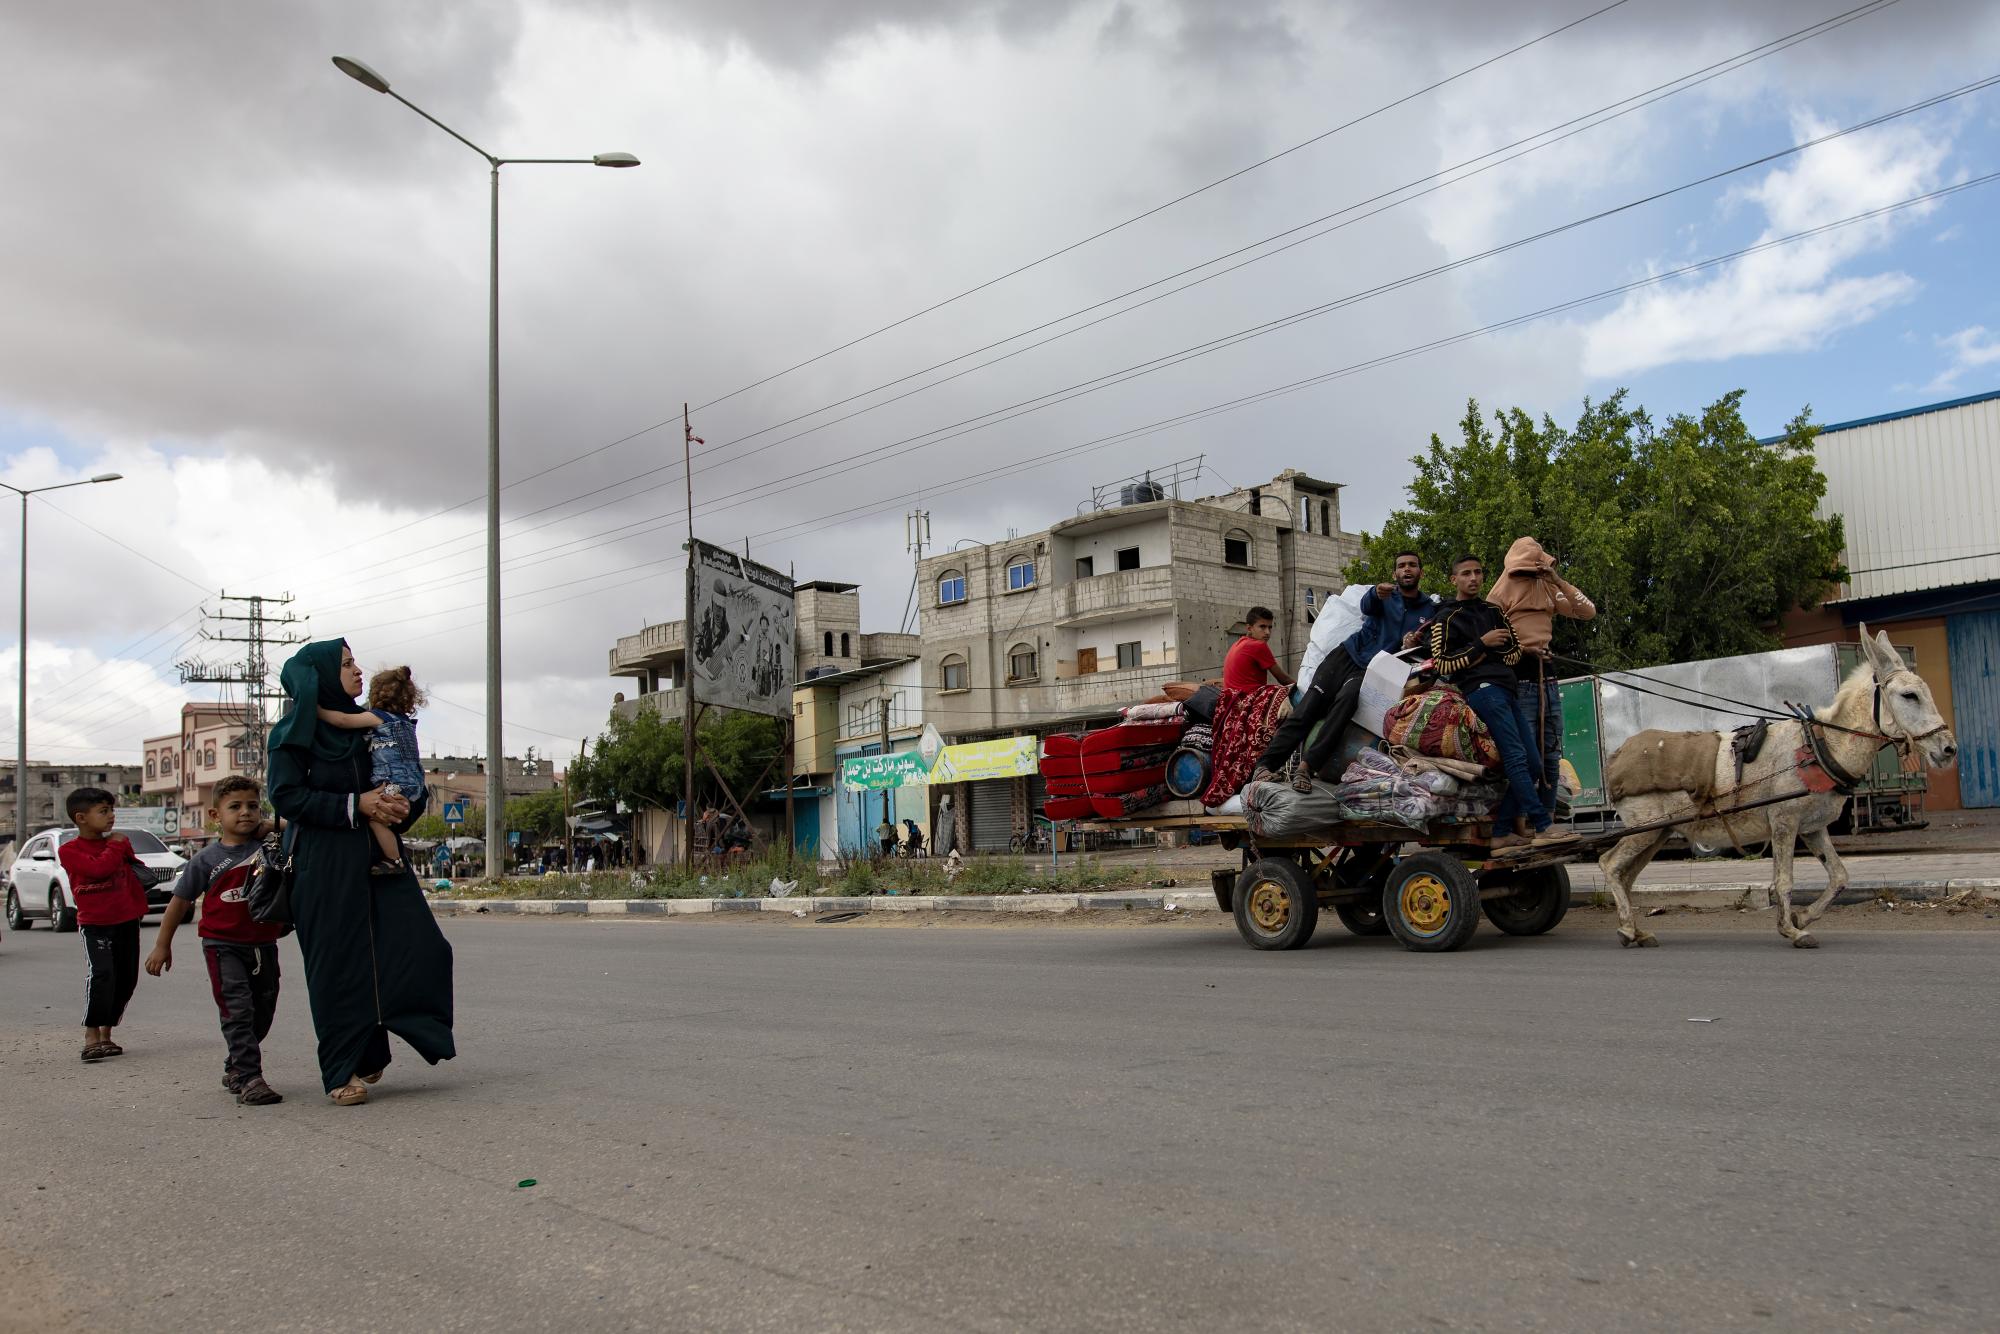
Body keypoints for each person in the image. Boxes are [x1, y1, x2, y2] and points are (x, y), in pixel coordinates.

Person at [268, 639, 455, 1106]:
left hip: (378, 859)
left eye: (354, 662)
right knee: (337, 966)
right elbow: (288, 798)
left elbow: (400, 778)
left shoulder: (367, 727)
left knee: (416, 949)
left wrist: (400, 807)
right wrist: (356, 804)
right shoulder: (294, 733)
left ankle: (377, 1043)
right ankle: (340, 1069)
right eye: (347, 664)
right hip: (322, 863)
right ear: (321, 675)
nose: (356, 670)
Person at [144, 776, 286, 1105]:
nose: (245, 813)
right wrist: (162, 945)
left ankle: (237, 1064)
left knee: (262, 1013)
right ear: (215, 815)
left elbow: (297, 826)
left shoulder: (267, 847)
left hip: (264, 945)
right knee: (238, 1011)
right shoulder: (206, 860)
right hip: (222, 947)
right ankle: (251, 1078)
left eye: (253, 806)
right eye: (234, 807)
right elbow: (179, 903)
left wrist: (270, 824)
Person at [1428, 556, 1579, 852]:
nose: (1473, 578)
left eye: (1478, 572)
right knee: (1516, 757)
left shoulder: (1494, 611)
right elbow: (1442, 664)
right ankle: (1543, 826)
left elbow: (1513, 653)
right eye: (1466, 573)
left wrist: (1515, 652)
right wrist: (1482, 645)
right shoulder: (1446, 617)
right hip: (1483, 691)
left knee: (1534, 764)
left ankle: (1499, 831)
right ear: (1453, 580)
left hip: (1507, 689)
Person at [1253, 551, 1439, 790]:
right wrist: (1375, 592)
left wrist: (1412, 643)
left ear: (1420, 572)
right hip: (1345, 655)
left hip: (1371, 669)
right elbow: (1366, 605)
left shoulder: (1428, 609)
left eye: (1412, 565)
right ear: (1395, 573)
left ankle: (1306, 768)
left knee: (1345, 705)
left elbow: (1425, 646)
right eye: (1401, 566)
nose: (1407, 569)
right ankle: (1264, 766)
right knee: (1309, 706)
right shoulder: (1384, 595)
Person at [1486, 537, 1596, 836]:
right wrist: (1522, 651)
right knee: (1525, 756)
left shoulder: (1548, 587)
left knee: (1551, 752)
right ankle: (1520, 823)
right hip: (1519, 680)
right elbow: (1490, 641)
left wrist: (1557, 579)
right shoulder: (1500, 591)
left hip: (1547, 677)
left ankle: (1547, 820)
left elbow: (1587, 612)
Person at [57, 787, 151, 1063]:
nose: (111, 816)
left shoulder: (117, 843)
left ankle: (107, 1034)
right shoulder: (69, 850)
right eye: (103, 811)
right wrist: (116, 845)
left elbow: (131, 869)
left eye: (112, 810)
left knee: (126, 979)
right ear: (81, 817)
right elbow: (98, 869)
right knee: (101, 975)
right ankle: (91, 1035)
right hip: (95, 924)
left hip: (126, 920)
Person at [317, 665, 427, 872]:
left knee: (376, 817)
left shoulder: (378, 717)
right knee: (386, 817)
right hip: (414, 783)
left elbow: (342, 720)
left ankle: (394, 860)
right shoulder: (405, 723)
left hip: (394, 781)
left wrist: (318, 711)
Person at [1222, 606, 1295, 694]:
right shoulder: (1258, 645)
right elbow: (1283, 679)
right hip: (1247, 699)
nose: (1267, 632)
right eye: (1262, 627)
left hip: (1231, 700)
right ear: (1249, 628)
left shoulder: (1237, 644)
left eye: (1270, 627)